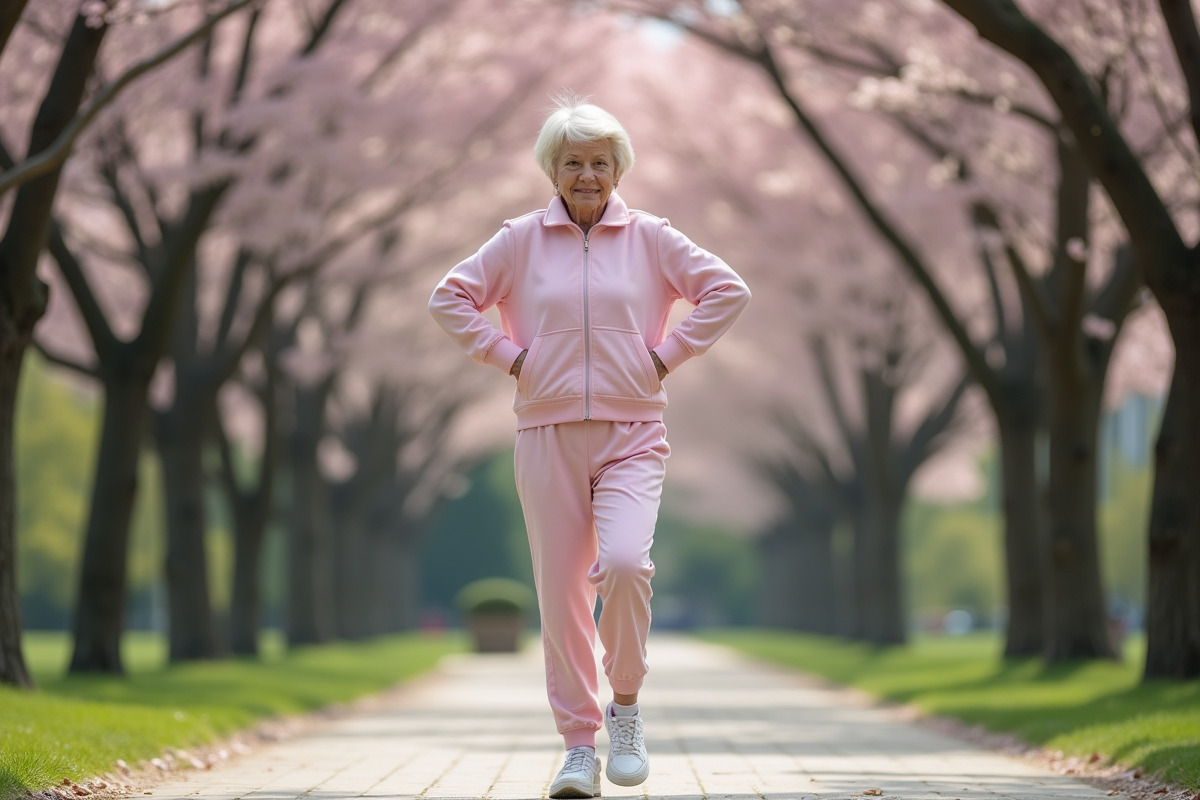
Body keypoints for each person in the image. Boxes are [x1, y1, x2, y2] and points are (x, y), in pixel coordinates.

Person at [428, 95, 750, 798]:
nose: (586, 175)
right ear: (552, 169)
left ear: (618, 169)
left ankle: (625, 709)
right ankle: (578, 746)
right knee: (561, 594)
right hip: (545, 434)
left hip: (633, 432)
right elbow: (449, 297)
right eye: (572, 162)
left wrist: (665, 357)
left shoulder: (654, 238)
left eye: (599, 163)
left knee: (627, 565)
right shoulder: (517, 239)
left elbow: (727, 290)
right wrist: (509, 358)